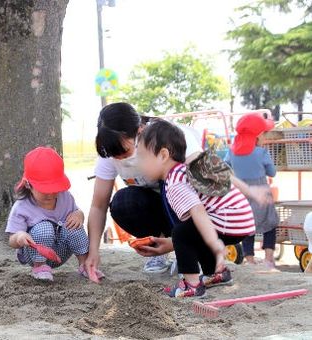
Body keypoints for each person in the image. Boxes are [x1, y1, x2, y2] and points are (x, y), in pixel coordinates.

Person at [85, 102, 272, 278]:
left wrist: (249, 191)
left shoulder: (172, 138)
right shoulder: (111, 152)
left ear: (140, 131)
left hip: (200, 212)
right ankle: (161, 249)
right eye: (113, 155)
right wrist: (93, 251)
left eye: (124, 153)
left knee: (171, 185)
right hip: (161, 211)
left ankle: (193, 256)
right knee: (123, 202)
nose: (119, 159)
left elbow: (210, 169)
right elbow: (98, 206)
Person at [136, 120, 255, 298]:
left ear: (163, 155)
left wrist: (214, 242)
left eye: (142, 157)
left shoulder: (175, 182)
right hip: (240, 218)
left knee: (182, 233)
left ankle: (191, 285)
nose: (139, 164)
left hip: (231, 220)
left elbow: (198, 211)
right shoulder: (184, 171)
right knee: (193, 231)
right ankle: (215, 272)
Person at [6, 147, 102, 282]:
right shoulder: (22, 206)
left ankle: (85, 264)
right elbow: (11, 240)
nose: (50, 194)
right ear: (28, 184)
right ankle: (40, 267)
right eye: (44, 190)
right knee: (43, 227)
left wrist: (79, 215)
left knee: (74, 226)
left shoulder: (65, 197)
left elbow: (76, 211)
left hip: (61, 250)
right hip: (35, 252)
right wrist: (19, 237)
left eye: (54, 188)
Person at [225, 113, 279, 269]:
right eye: (264, 134)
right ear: (258, 135)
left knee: (247, 226)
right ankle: (269, 259)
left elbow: (225, 166)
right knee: (270, 224)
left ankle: (249, 260)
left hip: (240, 192)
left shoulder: (232, 151)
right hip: (261, 192)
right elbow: (272, 172)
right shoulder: (261, 153)